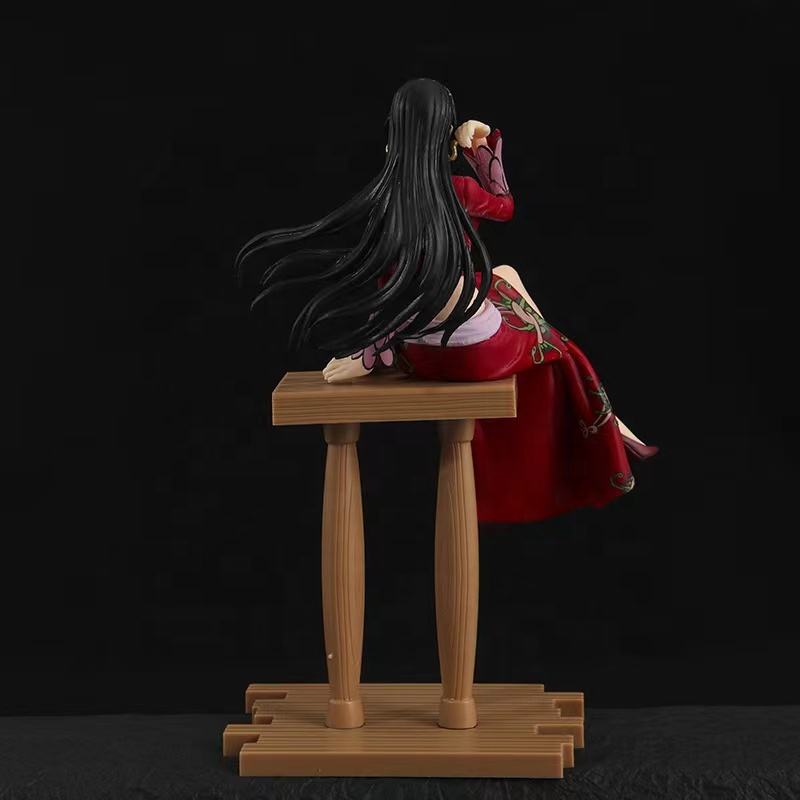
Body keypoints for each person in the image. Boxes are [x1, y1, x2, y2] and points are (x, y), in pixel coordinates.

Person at [236, 78, 657, 523]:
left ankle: (602, 410)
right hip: (474, 352)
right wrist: (477, 150)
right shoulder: (459, 191)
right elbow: (506, 206)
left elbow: (391, 282)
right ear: (446, 136)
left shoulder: (385, 196)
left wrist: (372, 351)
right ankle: (609, 422)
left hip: (422, 352)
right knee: (558, 347)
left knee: (504, 275)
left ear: (395, 132)